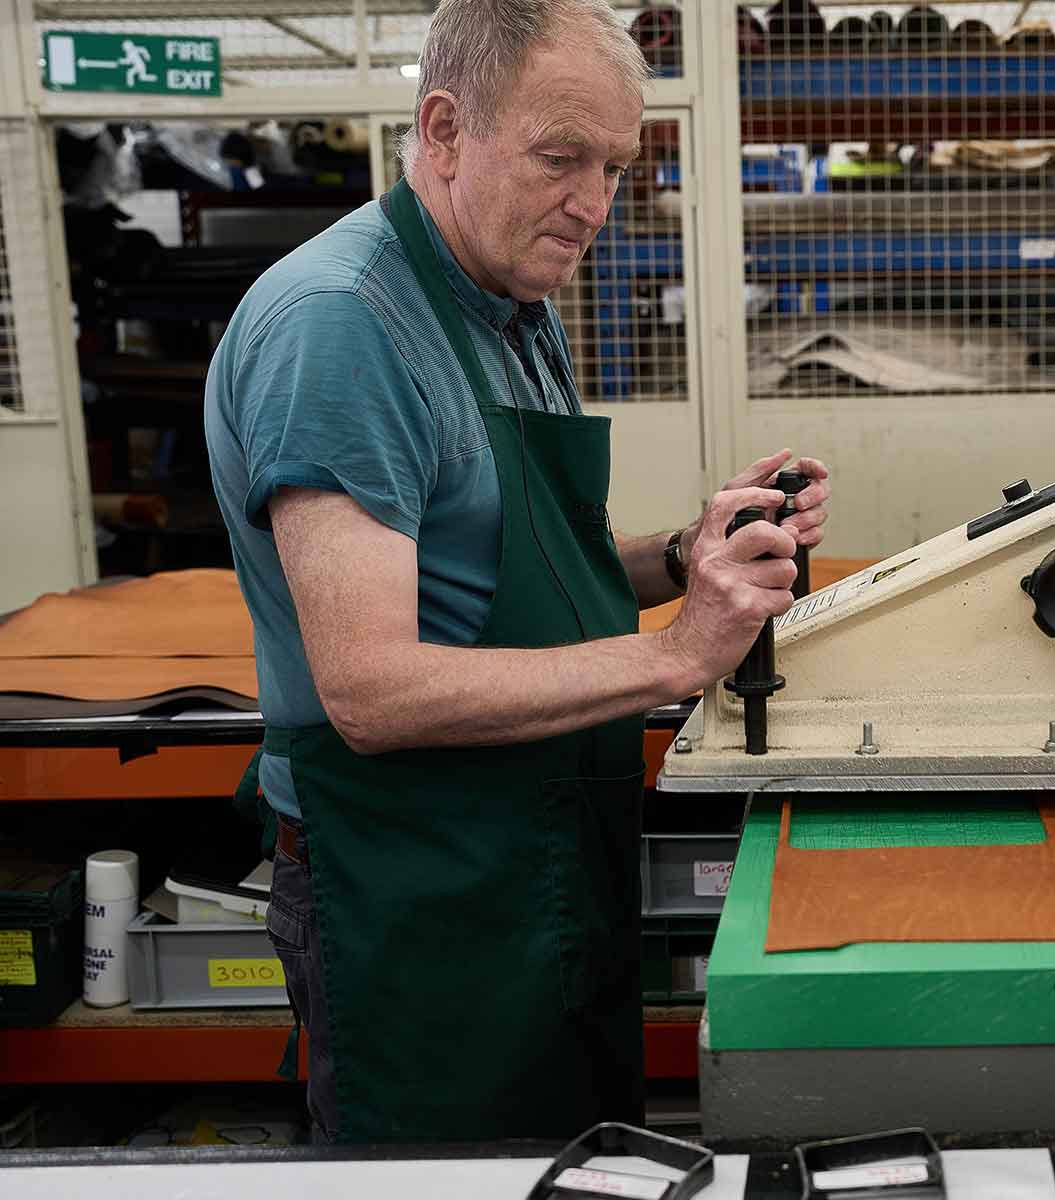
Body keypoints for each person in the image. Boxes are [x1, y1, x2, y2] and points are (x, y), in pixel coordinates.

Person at [202, 0, 829, 1144]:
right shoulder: (342, 328)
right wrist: (678, 653)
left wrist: (687, 554)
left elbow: (510, 564)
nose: (595, 203)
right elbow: (372, 691)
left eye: (615, 167)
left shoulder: (511, 305)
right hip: (414, 888)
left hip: (538, 853)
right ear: (445, 130)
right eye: (560, 158)